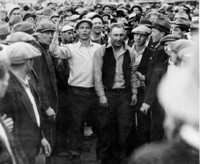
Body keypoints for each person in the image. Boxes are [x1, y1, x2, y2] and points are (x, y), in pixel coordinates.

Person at [129, 39, 199, 164]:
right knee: (158, 131)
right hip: (163, 108)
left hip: (180, 116)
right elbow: (153, 86)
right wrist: (147, 102)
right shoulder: (161, 68)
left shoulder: (146, 158)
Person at [50, 18, 101, 157]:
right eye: (81, 28)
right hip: (77, 92)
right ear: (76, 31)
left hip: (95, 91)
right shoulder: (70, 48)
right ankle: (74, 151)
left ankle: (99, 152)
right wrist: (56, 32)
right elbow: (54, 51)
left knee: (98, 121)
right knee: (76, 123)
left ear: (91, 30)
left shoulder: (98, 47)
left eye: (87, 27)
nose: (84, 30)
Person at [93, 23, 138, 164]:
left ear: (124, 35)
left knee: (125, 127)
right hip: (108, 93)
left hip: (124, 94)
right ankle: (103, 157)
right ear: (109, 35)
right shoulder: (101, 51)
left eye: (121, 35)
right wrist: (101, 95)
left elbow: (133, 74)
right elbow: (97, 75)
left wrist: (134, 93)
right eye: (115, 35)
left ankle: (122, 157)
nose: (118, 38)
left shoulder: (130, 52)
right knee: (105, 126)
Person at [0, 42, 51, 164]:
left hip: (32, 147)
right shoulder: (8, 89)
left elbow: (33, 116)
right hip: (22, 153)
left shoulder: (26, 82)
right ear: (29, 63)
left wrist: (41, 138)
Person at [127, 25, 154, 153]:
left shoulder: (151, 53)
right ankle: (130, 151)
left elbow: (153, 75)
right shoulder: (125, 50)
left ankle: (143, 151)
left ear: (147, 37)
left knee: (144, 123)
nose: (138, 38)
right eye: (136, 34)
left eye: (142, 35)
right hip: (127, 92)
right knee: (128, 122)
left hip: (143, 92)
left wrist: (143, 82)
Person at [33, 19, 57, 156]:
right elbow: (38, 82)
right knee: (46, 144)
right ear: (38, 34)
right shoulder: (37, 51)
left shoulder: (45, 49)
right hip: (43, 104)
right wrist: (47, 106)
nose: (50, 36)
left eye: (52, 33)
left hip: (48, 102)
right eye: (46, 33)